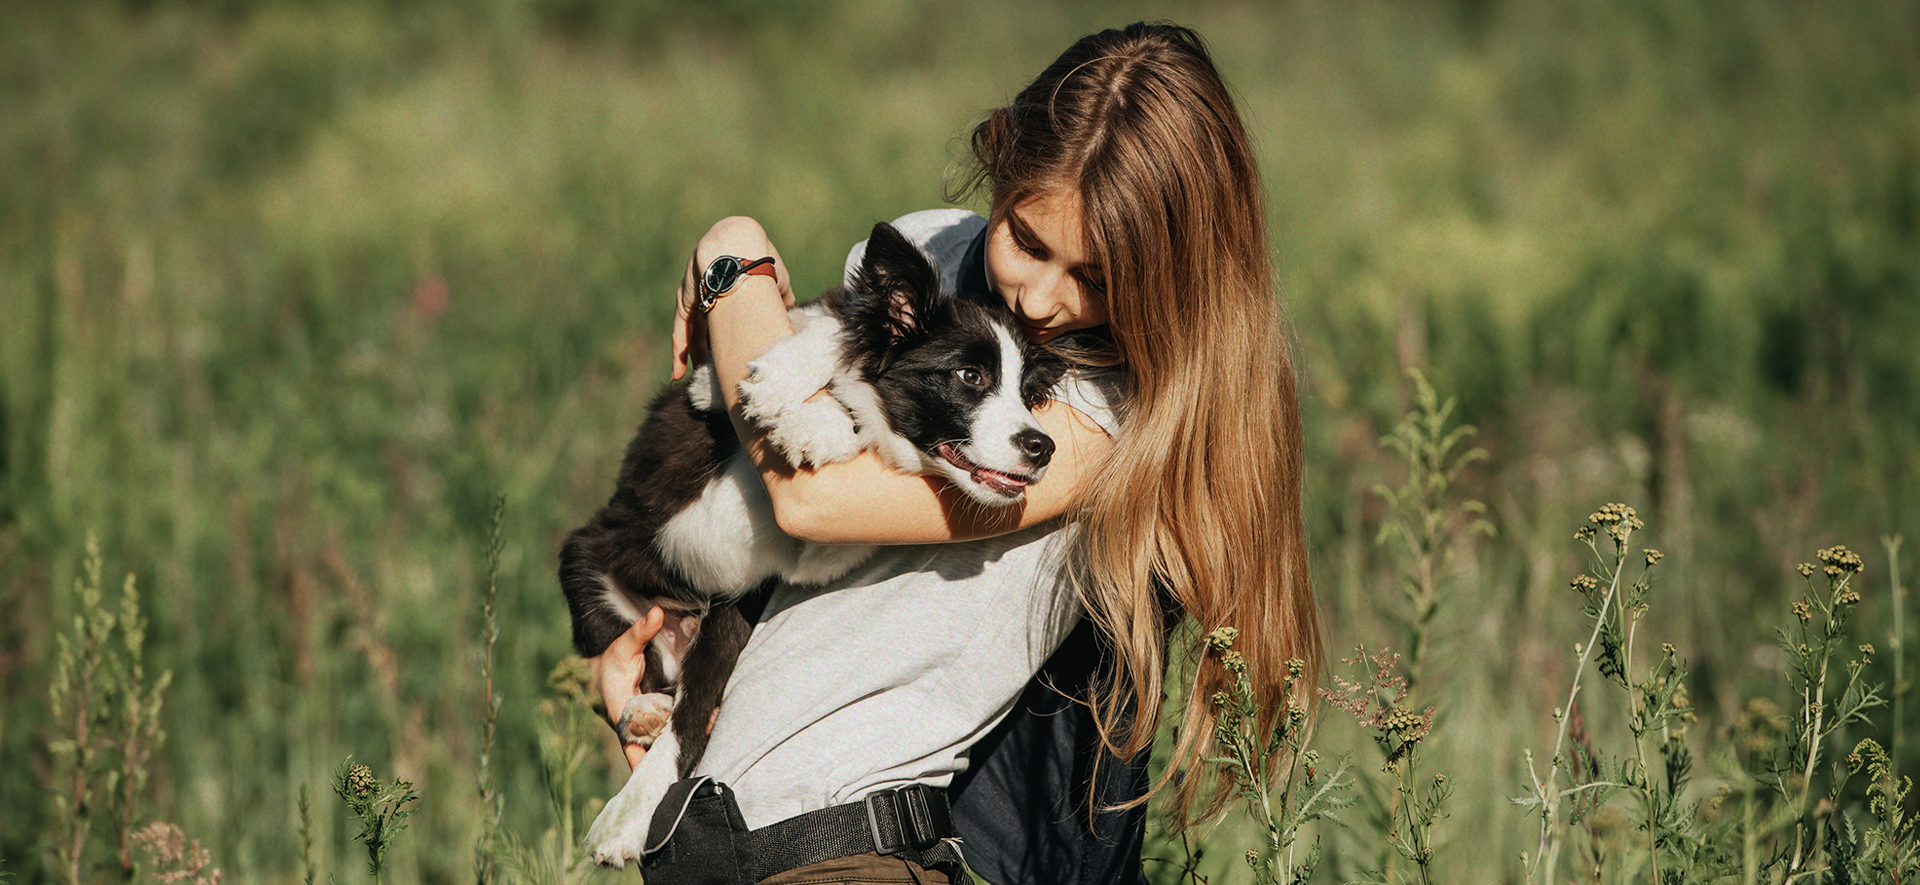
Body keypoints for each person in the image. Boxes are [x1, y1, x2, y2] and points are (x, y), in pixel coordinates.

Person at [586, 22, 1319, 885]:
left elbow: (807, 495)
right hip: (726, 827)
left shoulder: (1116, 411)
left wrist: (732, 255)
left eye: (1096, 275)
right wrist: (677, 655)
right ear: (1003, 168)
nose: (1042, 300)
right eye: (1028, 240)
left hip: (881, 843)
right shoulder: (932, 254)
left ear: (1170, 268)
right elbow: (797, 545)